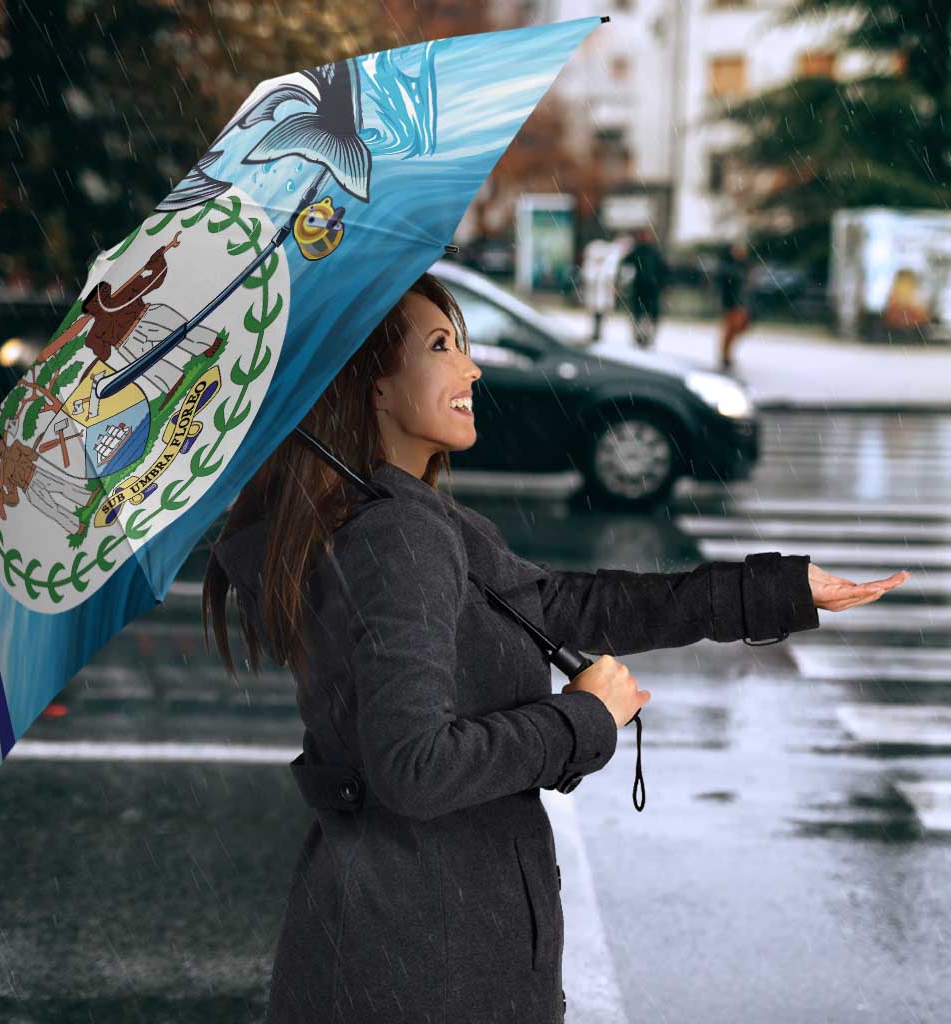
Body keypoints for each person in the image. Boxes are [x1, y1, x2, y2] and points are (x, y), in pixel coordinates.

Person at [203, 272, 906, 1024]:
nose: (471, 368)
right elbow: (414, 768)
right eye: (441, 347)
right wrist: (582, 719)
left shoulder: (404, 518)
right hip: (425, 963)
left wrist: (776, 590)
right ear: (372, 387)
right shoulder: (397, 537)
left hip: (408, 941)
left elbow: (569, 605)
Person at [619, 226, 669, 349]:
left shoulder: (652, 252)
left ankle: (646, 337)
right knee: (640, 314)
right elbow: (625, 264)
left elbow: (663, 270)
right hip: (642, 288)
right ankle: (640, 337)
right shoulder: (639, 251)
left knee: (647, 315)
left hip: (650, 288)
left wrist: (662, 284)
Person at [717, 239, 753, 370]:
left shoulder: (744, 266)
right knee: (731, 329)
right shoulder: (729, 267)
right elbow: (726, 286)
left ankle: (726, 354)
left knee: (739, 328)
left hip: (741, 303)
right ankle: (725, 355)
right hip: (732, 303)